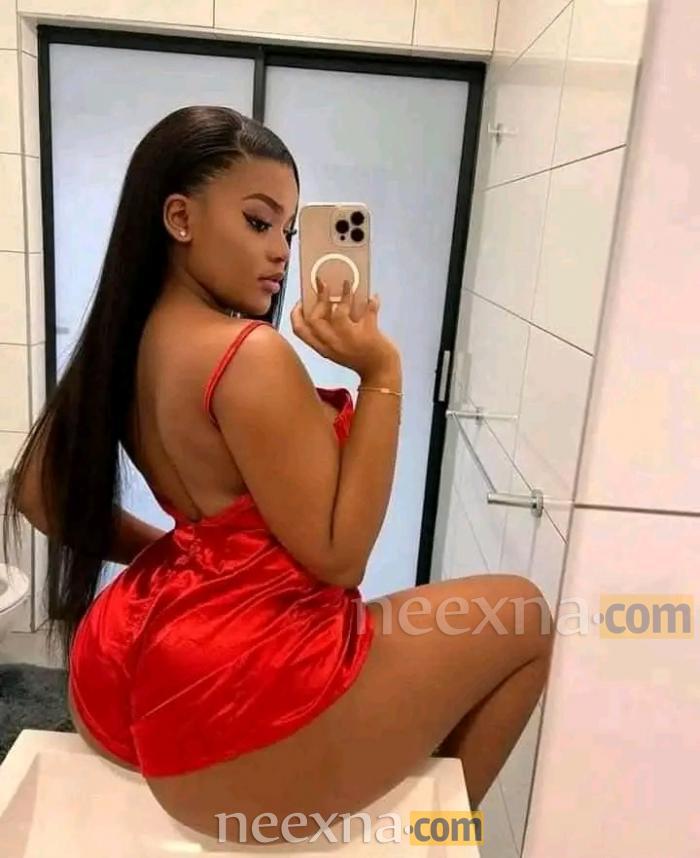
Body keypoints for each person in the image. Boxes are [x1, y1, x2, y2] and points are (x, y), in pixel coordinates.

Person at [4, 106, 553, 844]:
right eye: (258, 222)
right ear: (179, 218)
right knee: (525, 616)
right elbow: (340, 558)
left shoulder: (124, 340)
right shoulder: (247, 355)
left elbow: (37, 491)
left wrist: (181, 552)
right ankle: (430, 842)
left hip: (122, 665)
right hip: (232, 697)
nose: (279, 253)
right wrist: (382, 375)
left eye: (289, 232)